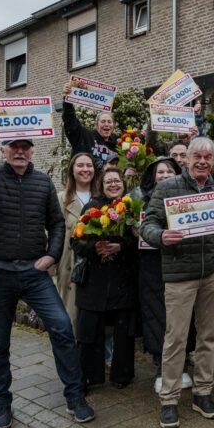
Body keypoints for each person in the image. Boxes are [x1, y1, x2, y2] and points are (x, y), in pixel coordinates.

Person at [0, 123, 94, 428]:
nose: (20, 151)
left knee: (61, 326)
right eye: (13, 146)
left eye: (25, 147)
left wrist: (52, 255)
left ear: (32, 151)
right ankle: (1, 406)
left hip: (34, 272)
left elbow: (57, 224)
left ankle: (75, 397)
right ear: (3, 150)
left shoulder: (43, 183)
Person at [141, 137, 214, 428]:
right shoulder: (168, 188)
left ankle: (203, 393)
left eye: (208, 157)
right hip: (179, 276)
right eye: (197, 155)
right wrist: (160, 237)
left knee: (207, 337)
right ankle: (169, 400)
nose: (202, 161)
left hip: (212, 273)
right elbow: (148, 224)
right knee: (176, 339)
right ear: (187, 158)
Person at [71, 167, 138, 389]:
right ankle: (89, 376)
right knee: (89, 331)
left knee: (123, 332)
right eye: (108, 181)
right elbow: (76, 242)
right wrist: (95, 247)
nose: (112, 185)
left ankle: (122, 375)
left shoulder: (131, 208)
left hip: (123, 279)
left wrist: (121, 246)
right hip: (94, 280)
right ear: (101, 185)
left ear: (123, 184)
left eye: (116, 181)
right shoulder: (92, 207)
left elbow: (141, 243)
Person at [129, 157, 181, 393]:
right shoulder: (137, 198)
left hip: (181, 263)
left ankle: (182, 364)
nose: (165, 175)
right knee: (156, 315)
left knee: (180, 316)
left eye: (170, 171)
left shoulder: (186, 196)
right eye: (160, 171)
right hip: (151, 266)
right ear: (152, 175)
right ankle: (161, 366)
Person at [56, 152, 95, 334]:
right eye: (80, 165)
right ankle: (70, 356)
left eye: (89, 165)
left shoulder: (100, 197)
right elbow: (52, 234)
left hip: (95, 266)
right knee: (69, 315)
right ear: (72, 169)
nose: (85, 169)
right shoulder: (61, 199)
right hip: (69, 265)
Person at [61, 83, 118, 171]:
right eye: (103, 121)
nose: (106, 124)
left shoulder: (118, 146)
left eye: (109, 122)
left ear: (113, 126)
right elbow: (70, 121)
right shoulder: (84, 136)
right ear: (96, 125)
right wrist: (67, 99)